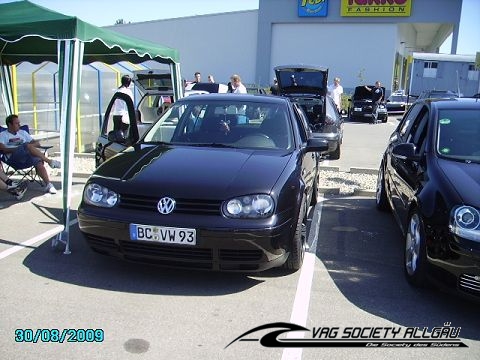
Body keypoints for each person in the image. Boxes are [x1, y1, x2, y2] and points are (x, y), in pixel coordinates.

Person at [0, 114, 61, 194]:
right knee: (25, 146)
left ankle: (49, 185)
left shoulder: (23, 132)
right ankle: (50, 162)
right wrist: (20, 148)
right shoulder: (3, 135)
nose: (19, 125)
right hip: (13, 158)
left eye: (19, 123)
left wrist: (28, 147)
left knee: (38, 161)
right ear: (9, 125)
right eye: (17, 123)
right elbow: (3, 149)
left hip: (26, 157)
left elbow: (37, 143)